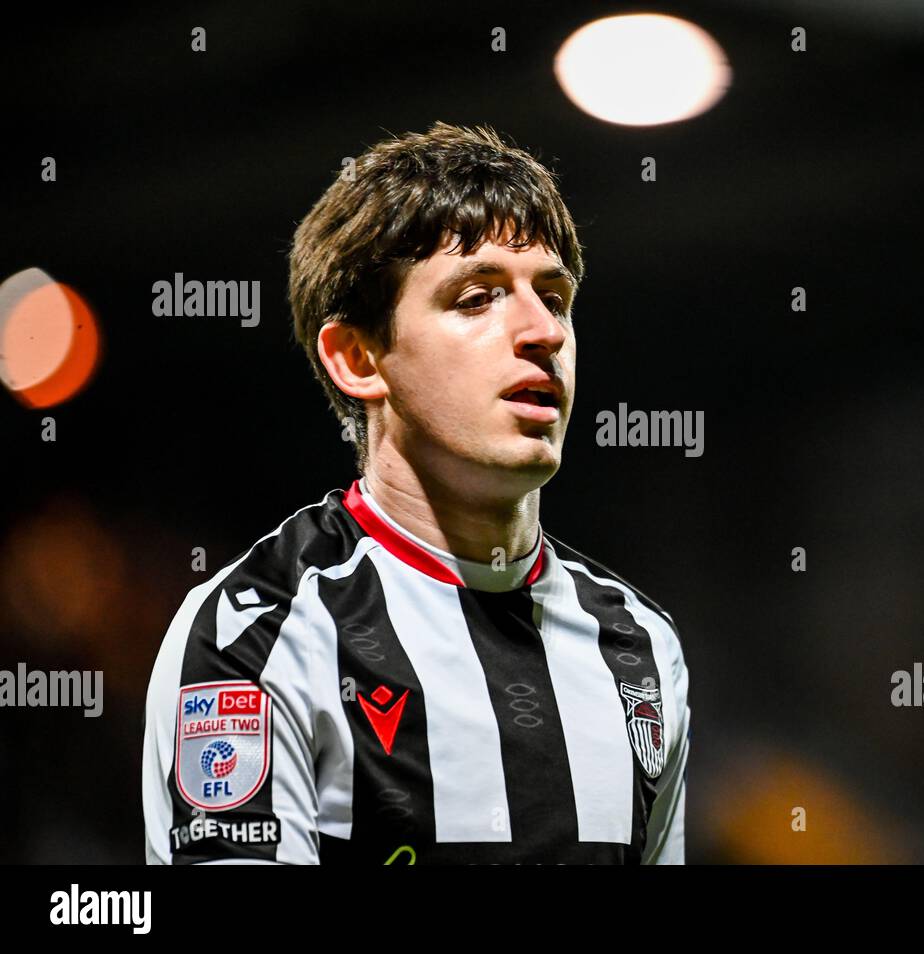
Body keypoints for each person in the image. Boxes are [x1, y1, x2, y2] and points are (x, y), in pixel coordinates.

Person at [141, 122, 690, 864]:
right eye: (477, 297)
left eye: (554, 298)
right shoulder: (260, 636)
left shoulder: (640, 649)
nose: (541, 331)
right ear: (360, 358)